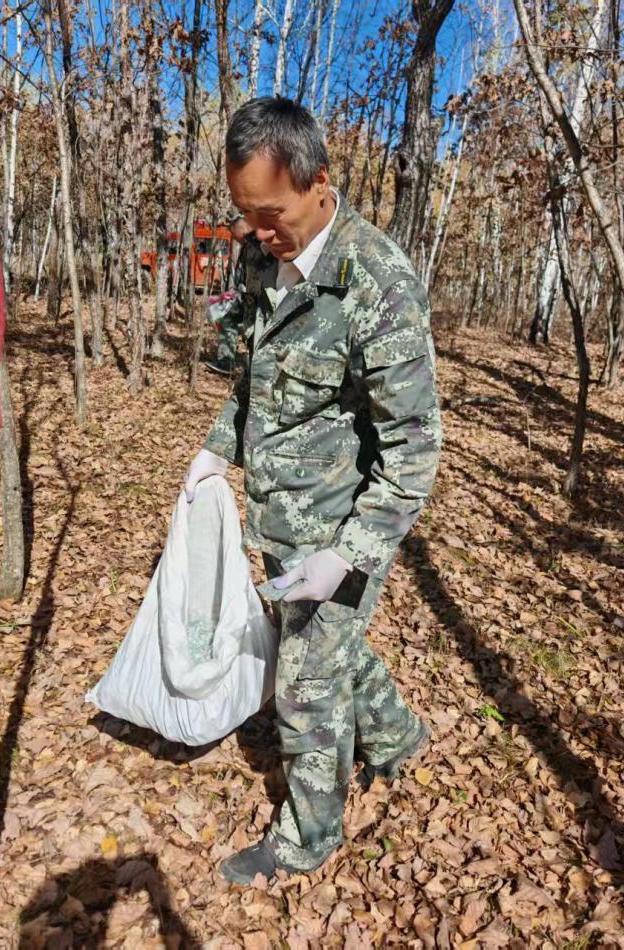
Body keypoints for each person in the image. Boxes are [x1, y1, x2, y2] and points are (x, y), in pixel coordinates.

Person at [181, 96, 443, 885]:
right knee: (324, 646)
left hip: (340, 529)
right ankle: (395, 738)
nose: (256, 231)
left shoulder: (377, 283)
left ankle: (307, 837)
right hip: (279, 516)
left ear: (319, 183)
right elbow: (256, 377)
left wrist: (347, 556)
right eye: (244, 213)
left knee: (304, 684)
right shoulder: (262, 259)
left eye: (271, 214)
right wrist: (215, 450)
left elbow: (413, 450)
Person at [205, 217, 253, 375]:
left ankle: (252, 370)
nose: (234, 238)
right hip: (245, 298)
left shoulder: (257, 247)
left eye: (234, 233)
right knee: (226, 319)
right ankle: (226, 362)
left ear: (243, 229)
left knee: (252, 333)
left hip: (257, 302)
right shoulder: (247, 246)